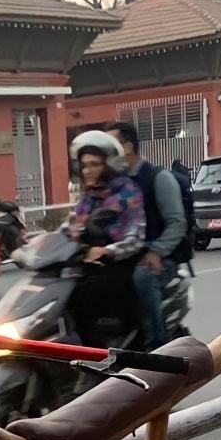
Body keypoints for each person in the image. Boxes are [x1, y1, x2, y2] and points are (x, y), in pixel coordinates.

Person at [105, 121, 189, 349]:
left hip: (161, 257)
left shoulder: (158, 178)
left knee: (143, 276)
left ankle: (156, 343)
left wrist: (156, 252)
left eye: (111, 146)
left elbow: (176, 223)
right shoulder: (113, 184)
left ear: (128, 147)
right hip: (126, 252)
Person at [62, 130, 145, 345]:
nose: (87, 170)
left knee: (83, 295)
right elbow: (69, 226)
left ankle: (100, 354)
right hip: (89, 262)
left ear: (108, 165)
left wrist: (108, 250)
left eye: (94, 164)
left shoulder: (127, 192)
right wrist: (34, 245)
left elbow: (136, 235)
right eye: (84, 165)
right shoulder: (89, 196)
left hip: (120, 263)